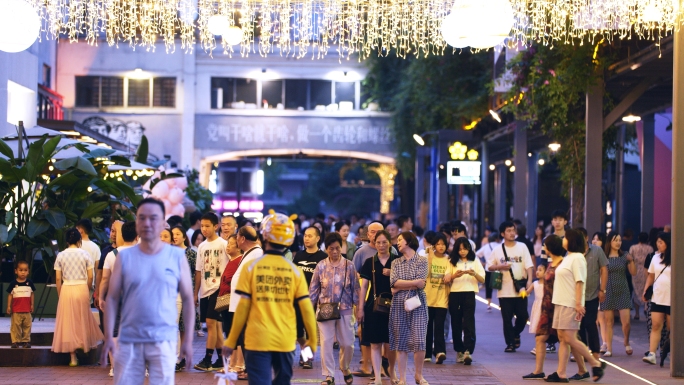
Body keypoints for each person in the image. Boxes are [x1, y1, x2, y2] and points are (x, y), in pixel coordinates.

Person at [101, 198, 195, 384]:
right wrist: (109, 336)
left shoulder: (176, 257)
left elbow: (188, 299)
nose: (147, 223)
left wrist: (188, 340)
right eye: (142, 218)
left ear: (162, 223)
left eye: (153, 218)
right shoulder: (124, 257)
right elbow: (112, 299)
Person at [222, 212, 318, 385]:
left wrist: (230, 340)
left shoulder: (251, 268)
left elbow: (242, 308)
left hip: (256, 339)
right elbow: (306, 309)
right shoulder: (295, 272)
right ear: (289, 239)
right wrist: (312, 340)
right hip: (285, 340)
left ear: (264, 235)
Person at [546, 229, 606, 382]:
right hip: (561, 302)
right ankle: (561, 373)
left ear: (571, 240)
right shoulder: (569, 257)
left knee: (569, 337)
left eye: (565, 237)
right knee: (563, 338)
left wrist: (579, 304)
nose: (563, 239)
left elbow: (579, 282)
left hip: (570, 303)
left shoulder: (578, 258)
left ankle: (595, 363)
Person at [309, 232, 360, 385]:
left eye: (337, 248)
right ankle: (329, 375)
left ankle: (344, 367)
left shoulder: (349, 265)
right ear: (326, 249)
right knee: (326, 342)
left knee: (347, 343)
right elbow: (313, 289)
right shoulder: (321, 266)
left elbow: (356, 289)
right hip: (325, 310)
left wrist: (359, 309)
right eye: (331, 249)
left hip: (345, 309)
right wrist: (308, 309)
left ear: (341, 247)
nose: (335, 252)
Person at [53, 228, 104, 366]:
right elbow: (91, 276)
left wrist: (60, 293)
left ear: (67, 241)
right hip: (82, 287)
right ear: (78, 240)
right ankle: (83, 343)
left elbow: (58, 279)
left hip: (67, 288)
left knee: (68, 322)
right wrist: (86, 289)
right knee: (82, 318)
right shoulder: (85, 254)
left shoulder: (61, 255)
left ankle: (73, 358)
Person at [357, 230, 398, 384]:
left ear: (390, 242)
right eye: (378, 242)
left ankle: (392, 372)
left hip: (394, 306)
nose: (381, 245)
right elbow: (364, 287)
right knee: (375, 343)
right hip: (373, 307)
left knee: (391, 343)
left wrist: (392, 273)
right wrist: (360, 308)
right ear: (374, 243)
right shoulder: (369, 262)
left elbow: (405, 280)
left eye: (384, 242)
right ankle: (378, 377)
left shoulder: (397, 260)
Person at [486, 221, 534, 353]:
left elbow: (529, 265)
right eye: (509, 231)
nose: (512, 233)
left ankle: (514, 333)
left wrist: (530, 280)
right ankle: (510, 343)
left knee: (523, 316)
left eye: (513, 230)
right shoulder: (497, 250)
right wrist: (500, 267)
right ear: (502, 233)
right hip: (504, 290)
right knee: (507, 319)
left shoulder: (522, 247)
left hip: (521, 289)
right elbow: (489, 266)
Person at [389, 232, 429, 385]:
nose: (397, 243)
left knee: (419, 340)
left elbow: (422, 283)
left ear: (409, 241)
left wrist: (401, 284)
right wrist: (412, 282)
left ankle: (418, 375)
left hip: (417, 303)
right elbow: (393, 284)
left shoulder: (422, 261)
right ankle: (402, 378)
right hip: (399, 304)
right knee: (401, 341)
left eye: (400, 240)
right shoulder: (396, 262)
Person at [99, 221, 138, 376]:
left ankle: (115, 367)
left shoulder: (111, 254)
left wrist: (101, 297)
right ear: (137, 235)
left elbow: (105, 279)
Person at [522, 236, 562, 379]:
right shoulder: (552, 265)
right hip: (547, 308)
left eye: (545, 246)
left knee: (568, 340)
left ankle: (590, 366)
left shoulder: (561, 265)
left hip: (558, 307)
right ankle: (538, 371)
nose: (544, 248)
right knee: (540, 338)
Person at [572, 227, 608, 381]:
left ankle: (595, 356)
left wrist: (603, 290)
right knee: (579, 326)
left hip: (592, 294)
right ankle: (586, 355)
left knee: (590, 324)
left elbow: (604, 270)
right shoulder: (574, 253)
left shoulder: (597, 250)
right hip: (576, 296)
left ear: (586, 237)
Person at [193, 212, 228, 371]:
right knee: (216, 326)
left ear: (216, 226)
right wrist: (196, 293)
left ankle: (207, 359)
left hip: (220, 290)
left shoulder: (224, 244)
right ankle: (221, 359)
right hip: (205, 290)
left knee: (211, 323)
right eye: (202, 226)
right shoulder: (201, 246)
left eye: (207, 226)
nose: (204, 229)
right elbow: (199, 271)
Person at [351, 221, 386, 376]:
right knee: (364, 331)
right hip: (365, 298)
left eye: (378, 232)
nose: (375, 235)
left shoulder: (391, 253)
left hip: (386, 299)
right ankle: (366, 365)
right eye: (372, 232)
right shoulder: (361, 252)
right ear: (367, 234)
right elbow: (354, 273)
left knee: (385, 334)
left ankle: (384, 368)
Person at [292, 226, 328, 369]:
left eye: (310, 236)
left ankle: (307, 357)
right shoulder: (299, 256)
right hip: (298, 298)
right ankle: (304, 351)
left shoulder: (323, 258)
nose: (306, 238)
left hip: (315, 300)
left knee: (310, 328)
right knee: (298, 330)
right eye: (305, 235)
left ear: (318, 238)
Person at [446, 237, 485, 365]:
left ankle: (468, 350)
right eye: (460, 249)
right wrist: (454, 276)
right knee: (456, 323)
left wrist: (473, 274)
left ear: (469, 248)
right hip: (455, 294)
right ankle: (459, 350)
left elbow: (482, 279)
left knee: (469, 322)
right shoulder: (451, 261)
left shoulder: (475, 260)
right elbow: (446, 278)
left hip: (469, 293)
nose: (463, 251)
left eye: (465, 248)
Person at [600, 231, 636, 357]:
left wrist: (631, 261)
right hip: (608, 290)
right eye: (615, 240)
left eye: (620, 240)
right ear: (610, 241)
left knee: (626, 322)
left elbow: (633, 273)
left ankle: (626, 340)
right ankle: (609, 348)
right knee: (609, 321)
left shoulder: (625, 255)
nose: (618, 243)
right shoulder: (604, 256)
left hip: (622, 290)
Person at [216, 234, 246, 378]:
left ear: (238, 246)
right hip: (225, 301)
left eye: (231, 244)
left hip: (234, 301)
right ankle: (231, 363)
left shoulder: (240, 261)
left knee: (237, 334)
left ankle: (239, 364)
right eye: (227, 244)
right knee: (229, 332)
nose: (227, 246)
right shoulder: (230, 260)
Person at [171, 225, 200, 372]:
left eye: (178, 234)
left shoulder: (190, 253)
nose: (175, 236)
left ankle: (180, 357)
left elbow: (197, 274)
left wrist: (194, 294)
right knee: (175, 325)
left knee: (182, 326)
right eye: (173, 234)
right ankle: (178, 357)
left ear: (184, 237)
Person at [642, 232, 671, 365]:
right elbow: (651, 276)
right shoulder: (655, 257)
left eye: (661, 242)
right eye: (657, 242)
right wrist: (645, 290)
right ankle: (652, 353)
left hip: (672, 298)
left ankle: (670, 353)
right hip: (657, 296)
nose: (658, 245)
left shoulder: (676, 256)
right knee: (656, 325)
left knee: (672, 328)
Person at [424, 232, 450, 364]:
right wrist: (429, 257)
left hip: (442, 299)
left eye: (443, 244)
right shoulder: (427, 257)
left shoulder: (449, 260)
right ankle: (427, 353)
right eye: (438, 244)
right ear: (433, 245)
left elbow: (449, 275)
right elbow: (424, 274)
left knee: (439, 326)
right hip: (427, 298)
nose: (441, 246)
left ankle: (440, 352)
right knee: (427, 327)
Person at [95, 220, 122, 331]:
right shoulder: (106, 251)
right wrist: (97, 293)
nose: (113, 234)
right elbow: (100, 273)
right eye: (111, 231)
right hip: (106, 292)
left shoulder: (124, 250)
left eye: (116, 231)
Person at [6, 260, 35, 348]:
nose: (23, 272)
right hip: (16, 310)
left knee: (27, 325)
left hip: (26, 310)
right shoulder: (13, 284)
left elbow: (32, 294)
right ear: (16, 271)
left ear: (28, 271)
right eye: (21, 270)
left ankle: (26, 341)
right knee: (16, 326)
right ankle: (15, 341)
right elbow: (10, 295)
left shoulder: (29, 283)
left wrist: (32, 305)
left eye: (25, 270)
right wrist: (8, 306)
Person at [629, 232, 653, 320]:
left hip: (636, 270)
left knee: (636, 291)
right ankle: (646, 308)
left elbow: (630, 258)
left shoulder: (633, 248)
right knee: (646, 289)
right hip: (646, 270)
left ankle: (637, 313)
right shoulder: (650, 248)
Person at [476, 232, 500, 312]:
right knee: (498, 287)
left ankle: (489, 305)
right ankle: (501, 303)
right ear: (497, 238)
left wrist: (482, 263)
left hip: (488, 268)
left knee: (488, 288)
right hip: (498, 269)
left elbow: (476, 255)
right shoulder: (499, 246)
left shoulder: (486, 247)